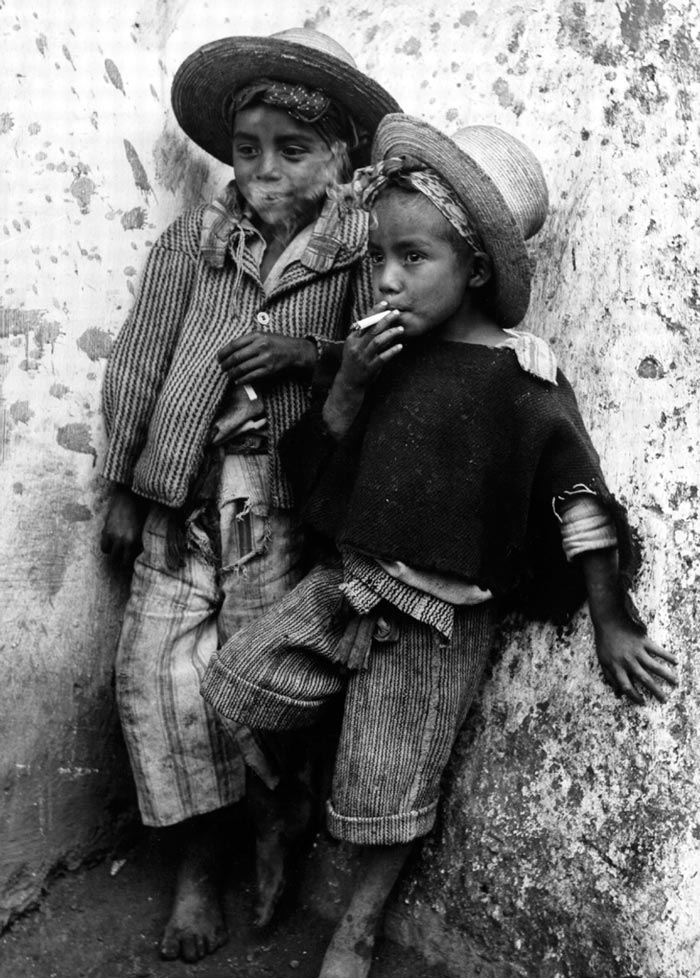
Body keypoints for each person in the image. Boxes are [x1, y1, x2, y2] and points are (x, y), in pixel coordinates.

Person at [200, 113, 679, 978]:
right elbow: (315, 485)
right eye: (380, 256)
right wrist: (343, 381)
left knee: (388, 790)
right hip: (347, 583)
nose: (386, 279)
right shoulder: (379, 356)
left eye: (412, 259)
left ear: (477, 268)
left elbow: (578, 498)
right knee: (235, 687)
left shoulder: (519, 377)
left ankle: (359, 924)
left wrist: (613, 617)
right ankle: (284, 808)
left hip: (432, 622)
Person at [99, 27, 400, 963]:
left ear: (342, 157)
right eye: (247, 149)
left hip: (277, 516)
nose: (264, 169)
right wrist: (121, 481)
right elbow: (141, 360)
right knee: (155, 682)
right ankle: (195, 870)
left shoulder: (363, 251)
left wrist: (305, 357)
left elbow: (387, 369)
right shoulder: (198, 240)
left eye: (293, 150)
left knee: (256, 692)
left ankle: (271, 826)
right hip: (181, 505)